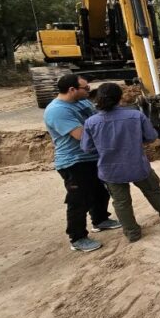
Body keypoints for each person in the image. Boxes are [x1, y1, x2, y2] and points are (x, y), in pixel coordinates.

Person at [81, 83, 160, 242]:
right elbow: (151, 137)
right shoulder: (136, 116)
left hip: (110, 170)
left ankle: (132, 232)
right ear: (120, 98)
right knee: (153, 190)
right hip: (137, 164)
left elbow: (87, 148)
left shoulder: (91, 122)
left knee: (121, 202)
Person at [43, 74, 120, 252]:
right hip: (74, 161)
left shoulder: (82, 101)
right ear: (72, 90)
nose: (89, 90)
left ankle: (100, 220)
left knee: (100, 192)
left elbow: (100, 118)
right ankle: (77, 238)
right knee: (78, 200)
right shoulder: (57, 111)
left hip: (91, 157)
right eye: (85, 88)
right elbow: (81, 136)